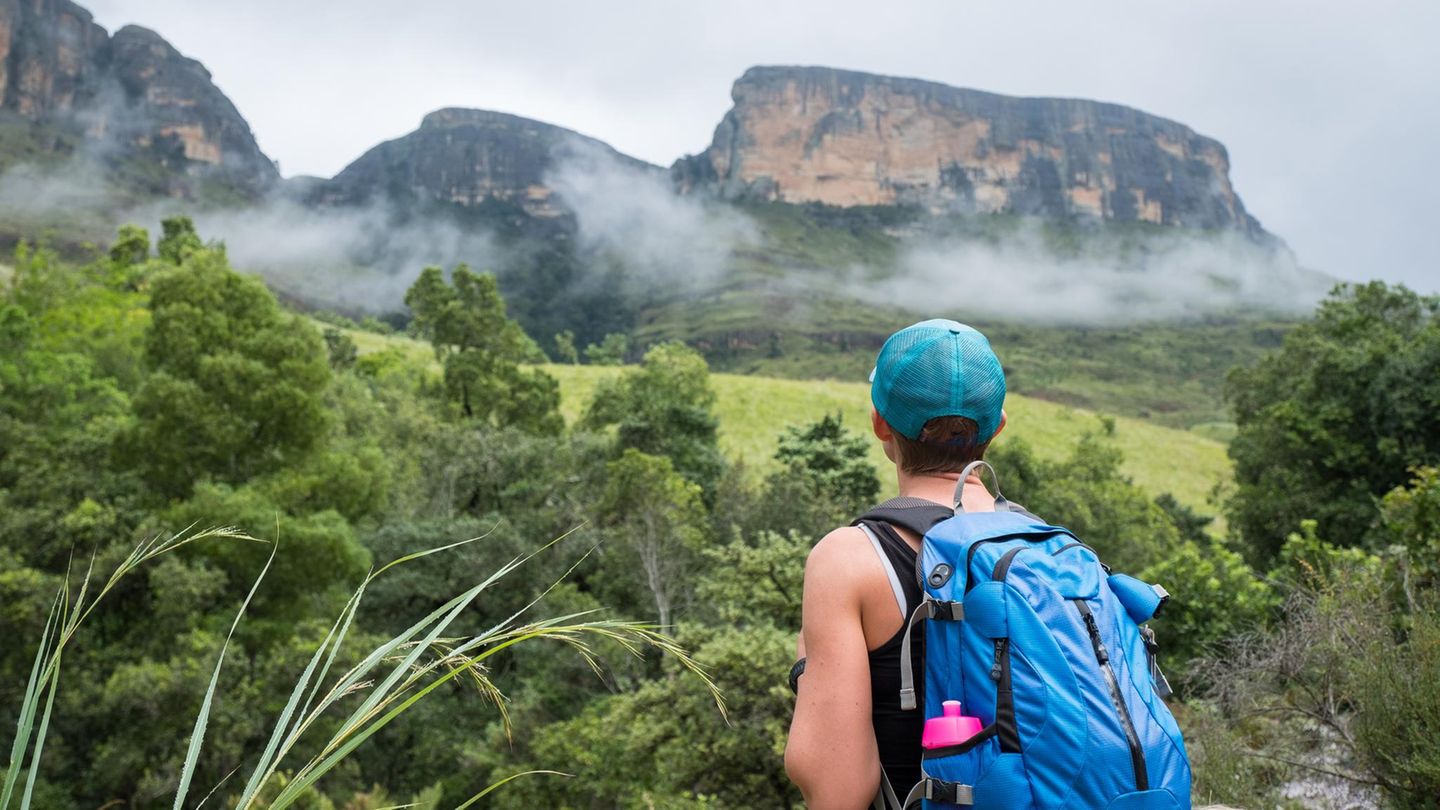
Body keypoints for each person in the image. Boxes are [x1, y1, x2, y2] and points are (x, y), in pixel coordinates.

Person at [784, 319, 1034, 809]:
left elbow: (835, 790)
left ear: (880, 423)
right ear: (998, 426)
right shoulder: (1050, 547)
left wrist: (805, 664)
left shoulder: (851, 558)